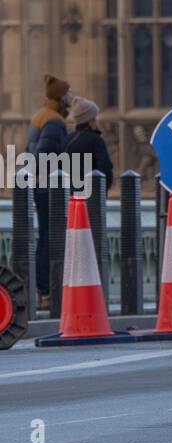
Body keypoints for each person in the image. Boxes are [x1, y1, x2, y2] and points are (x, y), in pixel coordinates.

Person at [25, 74, 71, 310]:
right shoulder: (54, 121)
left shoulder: (39, 117)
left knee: (44, 236)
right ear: (60, 97)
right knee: (50, 237)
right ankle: (45, 290)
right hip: (49, 188)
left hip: (39, 185)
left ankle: (41, 290)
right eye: (67, 93)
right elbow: (46, 154)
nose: (71, 98)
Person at [66, 97, 114, 198]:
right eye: (95, 118)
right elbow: (105, 168)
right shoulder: (96, 140)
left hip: (71, 196)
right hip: (93, 197)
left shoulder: (67, 140)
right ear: (90, 120)